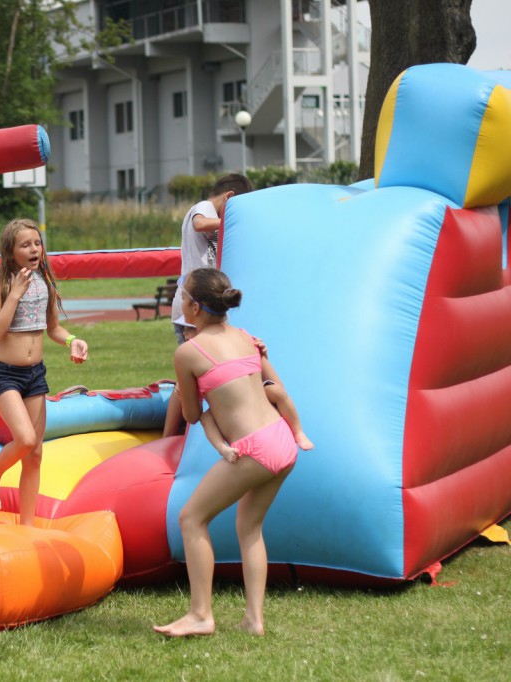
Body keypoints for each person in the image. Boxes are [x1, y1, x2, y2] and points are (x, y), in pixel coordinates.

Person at [154, 267, 301, 638]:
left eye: (183, 295)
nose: (180, 300)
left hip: (254, 447)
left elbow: (190, 415)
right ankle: (254, 620)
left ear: (196, 307)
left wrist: (208, 398)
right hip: (281, 439)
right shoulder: (247, 338)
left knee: (191, 518)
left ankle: (201, 614)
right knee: (249, 526)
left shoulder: (189, 352)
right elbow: (276, 388)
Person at [0, 219, 88, 526]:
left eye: (37, 243)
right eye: (25, 245)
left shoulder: (46, 281)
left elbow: (53, 328)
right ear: (10, 251)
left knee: (35, 454)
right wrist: (14, 294)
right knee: (25, 439)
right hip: (4, 374)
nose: (34, 249)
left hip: (34, 375)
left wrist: (72, 340)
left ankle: (26, 525)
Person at [164, 317, 314, 451]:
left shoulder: (234, 342)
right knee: (206, 419)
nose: (184, 334)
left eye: (189, 330)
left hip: (250, 401)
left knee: (276, 391)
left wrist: (260, 356)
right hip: (226, 406)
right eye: (183, 329)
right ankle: (222, 448)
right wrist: (184, 390)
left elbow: (270, 382)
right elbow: (193, 414)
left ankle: (298, 431)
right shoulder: (192, 357)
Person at [170, 174, 253, 346]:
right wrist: (232, 222)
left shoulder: (215, 218)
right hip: (193, 308)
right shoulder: (205, 206)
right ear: (228, 197)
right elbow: (199, 224)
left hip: (200, 306)